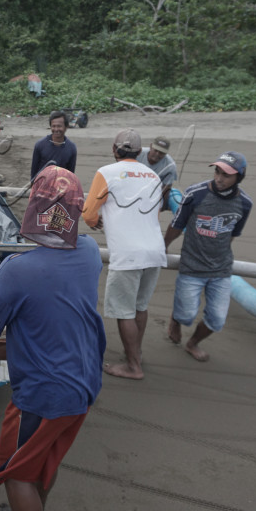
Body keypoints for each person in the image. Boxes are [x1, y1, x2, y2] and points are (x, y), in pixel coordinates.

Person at [0, 165, 105, 511]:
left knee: (15, 471)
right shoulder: (88, 253)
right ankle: (32, 510)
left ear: (34, 207)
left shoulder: (17, 270)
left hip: (41, 393)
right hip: (84, 385)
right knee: (46, 457)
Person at [81, 129, 166, 380]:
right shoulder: (153, 175)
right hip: (154, 250)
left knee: (123, 310)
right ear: (140, 152)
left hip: (128, 252)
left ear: (114, 149)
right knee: (140, 306)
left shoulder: (106, 172)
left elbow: (88, 213)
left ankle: (133, 366)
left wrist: (96, 221)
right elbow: (155, 213)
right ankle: (136, 354)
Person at [164, 151, 253, 362]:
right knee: (186, 315)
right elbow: (177, 225)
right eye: (217, 171)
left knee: (217, 320)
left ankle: (193, 343)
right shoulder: (196, 193)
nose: (219, 178)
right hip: (192, 267)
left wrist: (217, 252)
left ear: (239, 177)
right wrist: (164, 246)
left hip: (221, 270)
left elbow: (232, 234)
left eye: (226, 175)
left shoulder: (245, 204)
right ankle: (176, 319)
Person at [30, 111, 76, 180]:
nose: (56, 129)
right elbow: (34, 172)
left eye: (59, 126)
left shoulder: (71, 148)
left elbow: (70, 174)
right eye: (53, 126)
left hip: (60, 188)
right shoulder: (40, 145)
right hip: (42, 187)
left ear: (66, 127)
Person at [139, 136, 178, 210]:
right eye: (155, 150)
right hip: (135, 187)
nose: (157, 154)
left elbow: (166, 188)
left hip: (154, 192)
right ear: (151, 146)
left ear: (166, 153)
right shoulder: (138, 155)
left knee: (176, 196)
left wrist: (163, 206)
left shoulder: (170, 166)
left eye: (161, 152)